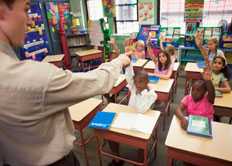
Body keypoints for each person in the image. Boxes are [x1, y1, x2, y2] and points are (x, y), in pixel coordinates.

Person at [0, 0, 131, 165]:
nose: (29, 20)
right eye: (25, 9)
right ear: (2, 11)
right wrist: (119, 61)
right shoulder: (33, 77)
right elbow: (98, 82)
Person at [108, 64, 157, 166]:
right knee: (110, 132)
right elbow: (129, 76)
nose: (138, 85)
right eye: (136, 82)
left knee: (141, 141)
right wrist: (128, 64)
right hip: (128, 117)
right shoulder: (134, 87)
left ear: (147, 82)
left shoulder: (152, 94)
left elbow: (141, 109)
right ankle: (117, 159)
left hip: (142, 120)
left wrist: (141, 92)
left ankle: (139, 162)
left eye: (141, 82)